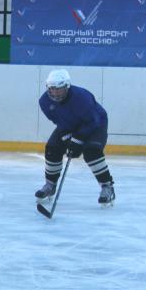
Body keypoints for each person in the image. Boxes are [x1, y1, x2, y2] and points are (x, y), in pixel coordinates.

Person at [36, 69, 115, 206]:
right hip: (69, 125)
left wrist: (78, 141)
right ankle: (50, 185)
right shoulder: (44, 102)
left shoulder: (82, 97)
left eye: (58, 89)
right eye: (52, 89)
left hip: (96, 123)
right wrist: (69, 139)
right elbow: (60, 122)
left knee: (92, 150)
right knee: (52, 148)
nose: (54, 93)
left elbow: (92, 121)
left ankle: (107, 187)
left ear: (67, 87)